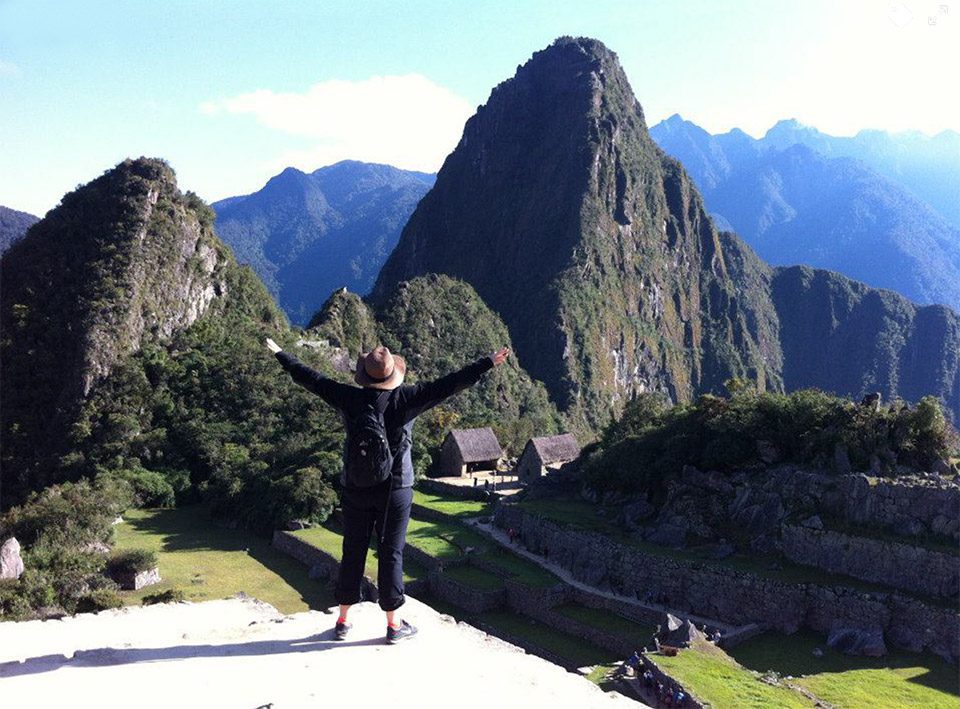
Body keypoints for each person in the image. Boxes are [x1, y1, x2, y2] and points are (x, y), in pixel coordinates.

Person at [267, 337, 509, 643]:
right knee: (391, 552)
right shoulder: (407, 399)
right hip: (395, 488)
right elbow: (450, 384)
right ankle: (394, 626)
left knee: (352, 548)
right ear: (393, 374)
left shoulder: (348, 398)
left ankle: (342, 621)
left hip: (355, 486)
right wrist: (486, 362)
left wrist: (281, 354)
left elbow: (311, 379)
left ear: (364, 376)